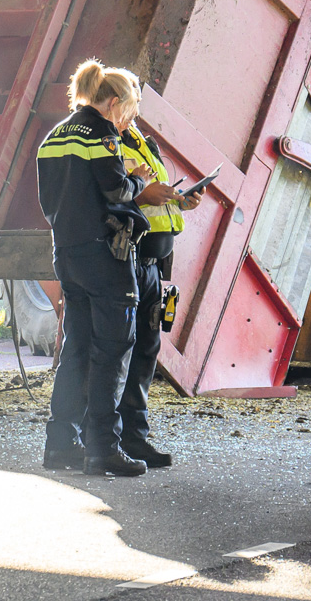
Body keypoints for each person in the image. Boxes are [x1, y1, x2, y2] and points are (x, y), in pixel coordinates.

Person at [36, 60, 180, 478]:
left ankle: (61, 444)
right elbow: (115, 188)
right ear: (113, 102)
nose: (129, 122)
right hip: (107, 256)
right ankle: (104, 449)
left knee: (76, 351)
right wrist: (137, 181)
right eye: (130, 113)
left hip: (67, 253)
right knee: (114, 350)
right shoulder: (101, 133)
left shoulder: (55, 135)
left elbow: (50, 201)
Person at [116, 119, 203, 469]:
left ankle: (134, 437)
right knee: (117, 349)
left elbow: (156, 195)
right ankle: (110, 436)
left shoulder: (141, 142)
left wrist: (181, 201)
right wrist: (140, 194)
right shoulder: (105, 141)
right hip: (127, 258)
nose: (136, 110)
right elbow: (106, 194)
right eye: (131, 101)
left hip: (151, 263)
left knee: (145, 349)